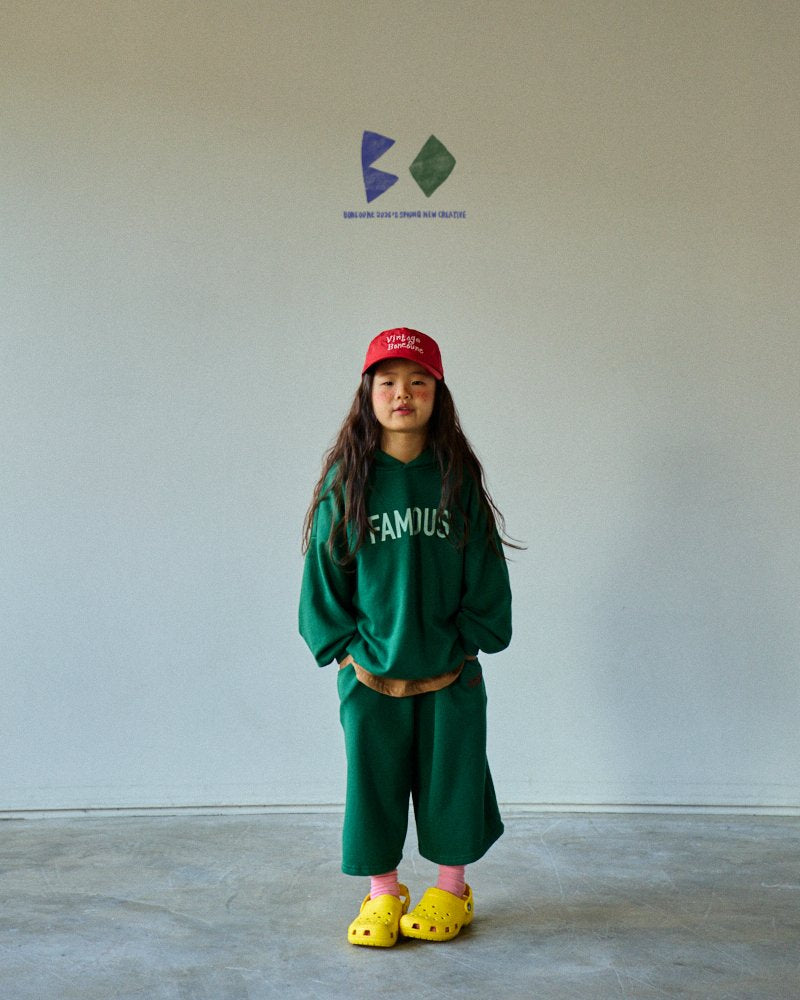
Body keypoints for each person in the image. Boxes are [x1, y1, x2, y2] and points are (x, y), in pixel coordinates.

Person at [299, 327, 514, 947]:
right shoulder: (347, 480)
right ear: (367, 394)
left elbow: (486, 570)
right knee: (374, 784)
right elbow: (322, 573)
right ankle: (383, 893)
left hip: (449, 669)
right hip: (370, 671)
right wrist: (344, 652)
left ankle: (451, 888)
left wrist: (471, 642)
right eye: (388, 382)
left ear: (437, 394)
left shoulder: (455, 478)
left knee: (454, 779)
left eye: (418, 381)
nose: (403, 394)